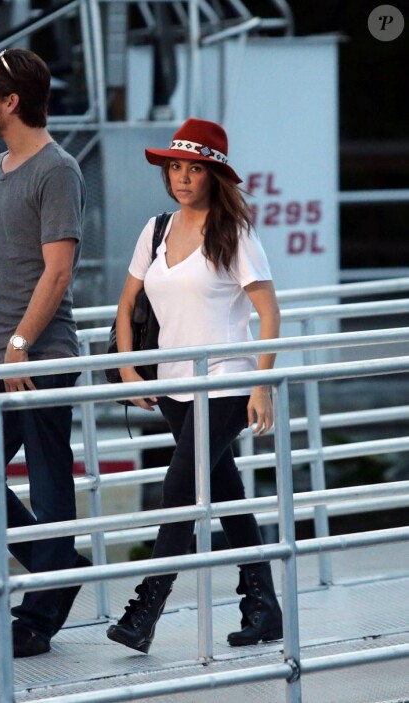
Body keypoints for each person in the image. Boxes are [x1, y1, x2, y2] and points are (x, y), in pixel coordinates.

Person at [106, 118, 283, 653]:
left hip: (225, 381)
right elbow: (127, 304)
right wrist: (129, 367)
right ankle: (264, 606)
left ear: (214, 175)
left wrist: (261, 384)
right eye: (176, 167)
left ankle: (145, 611)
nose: (183, 177)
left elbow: (269, 312)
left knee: (179, 490)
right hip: (172, 385)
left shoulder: (234, 233)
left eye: (195, 168)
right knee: (226, 494)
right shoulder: (156, 229)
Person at [0, 48, 90, 659]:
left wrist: (19, 346)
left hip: (40, 356)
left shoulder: (57, 170)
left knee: (47, 480)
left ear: (12, 102)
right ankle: (57, 566)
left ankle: (38, 616)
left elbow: (57, 272)